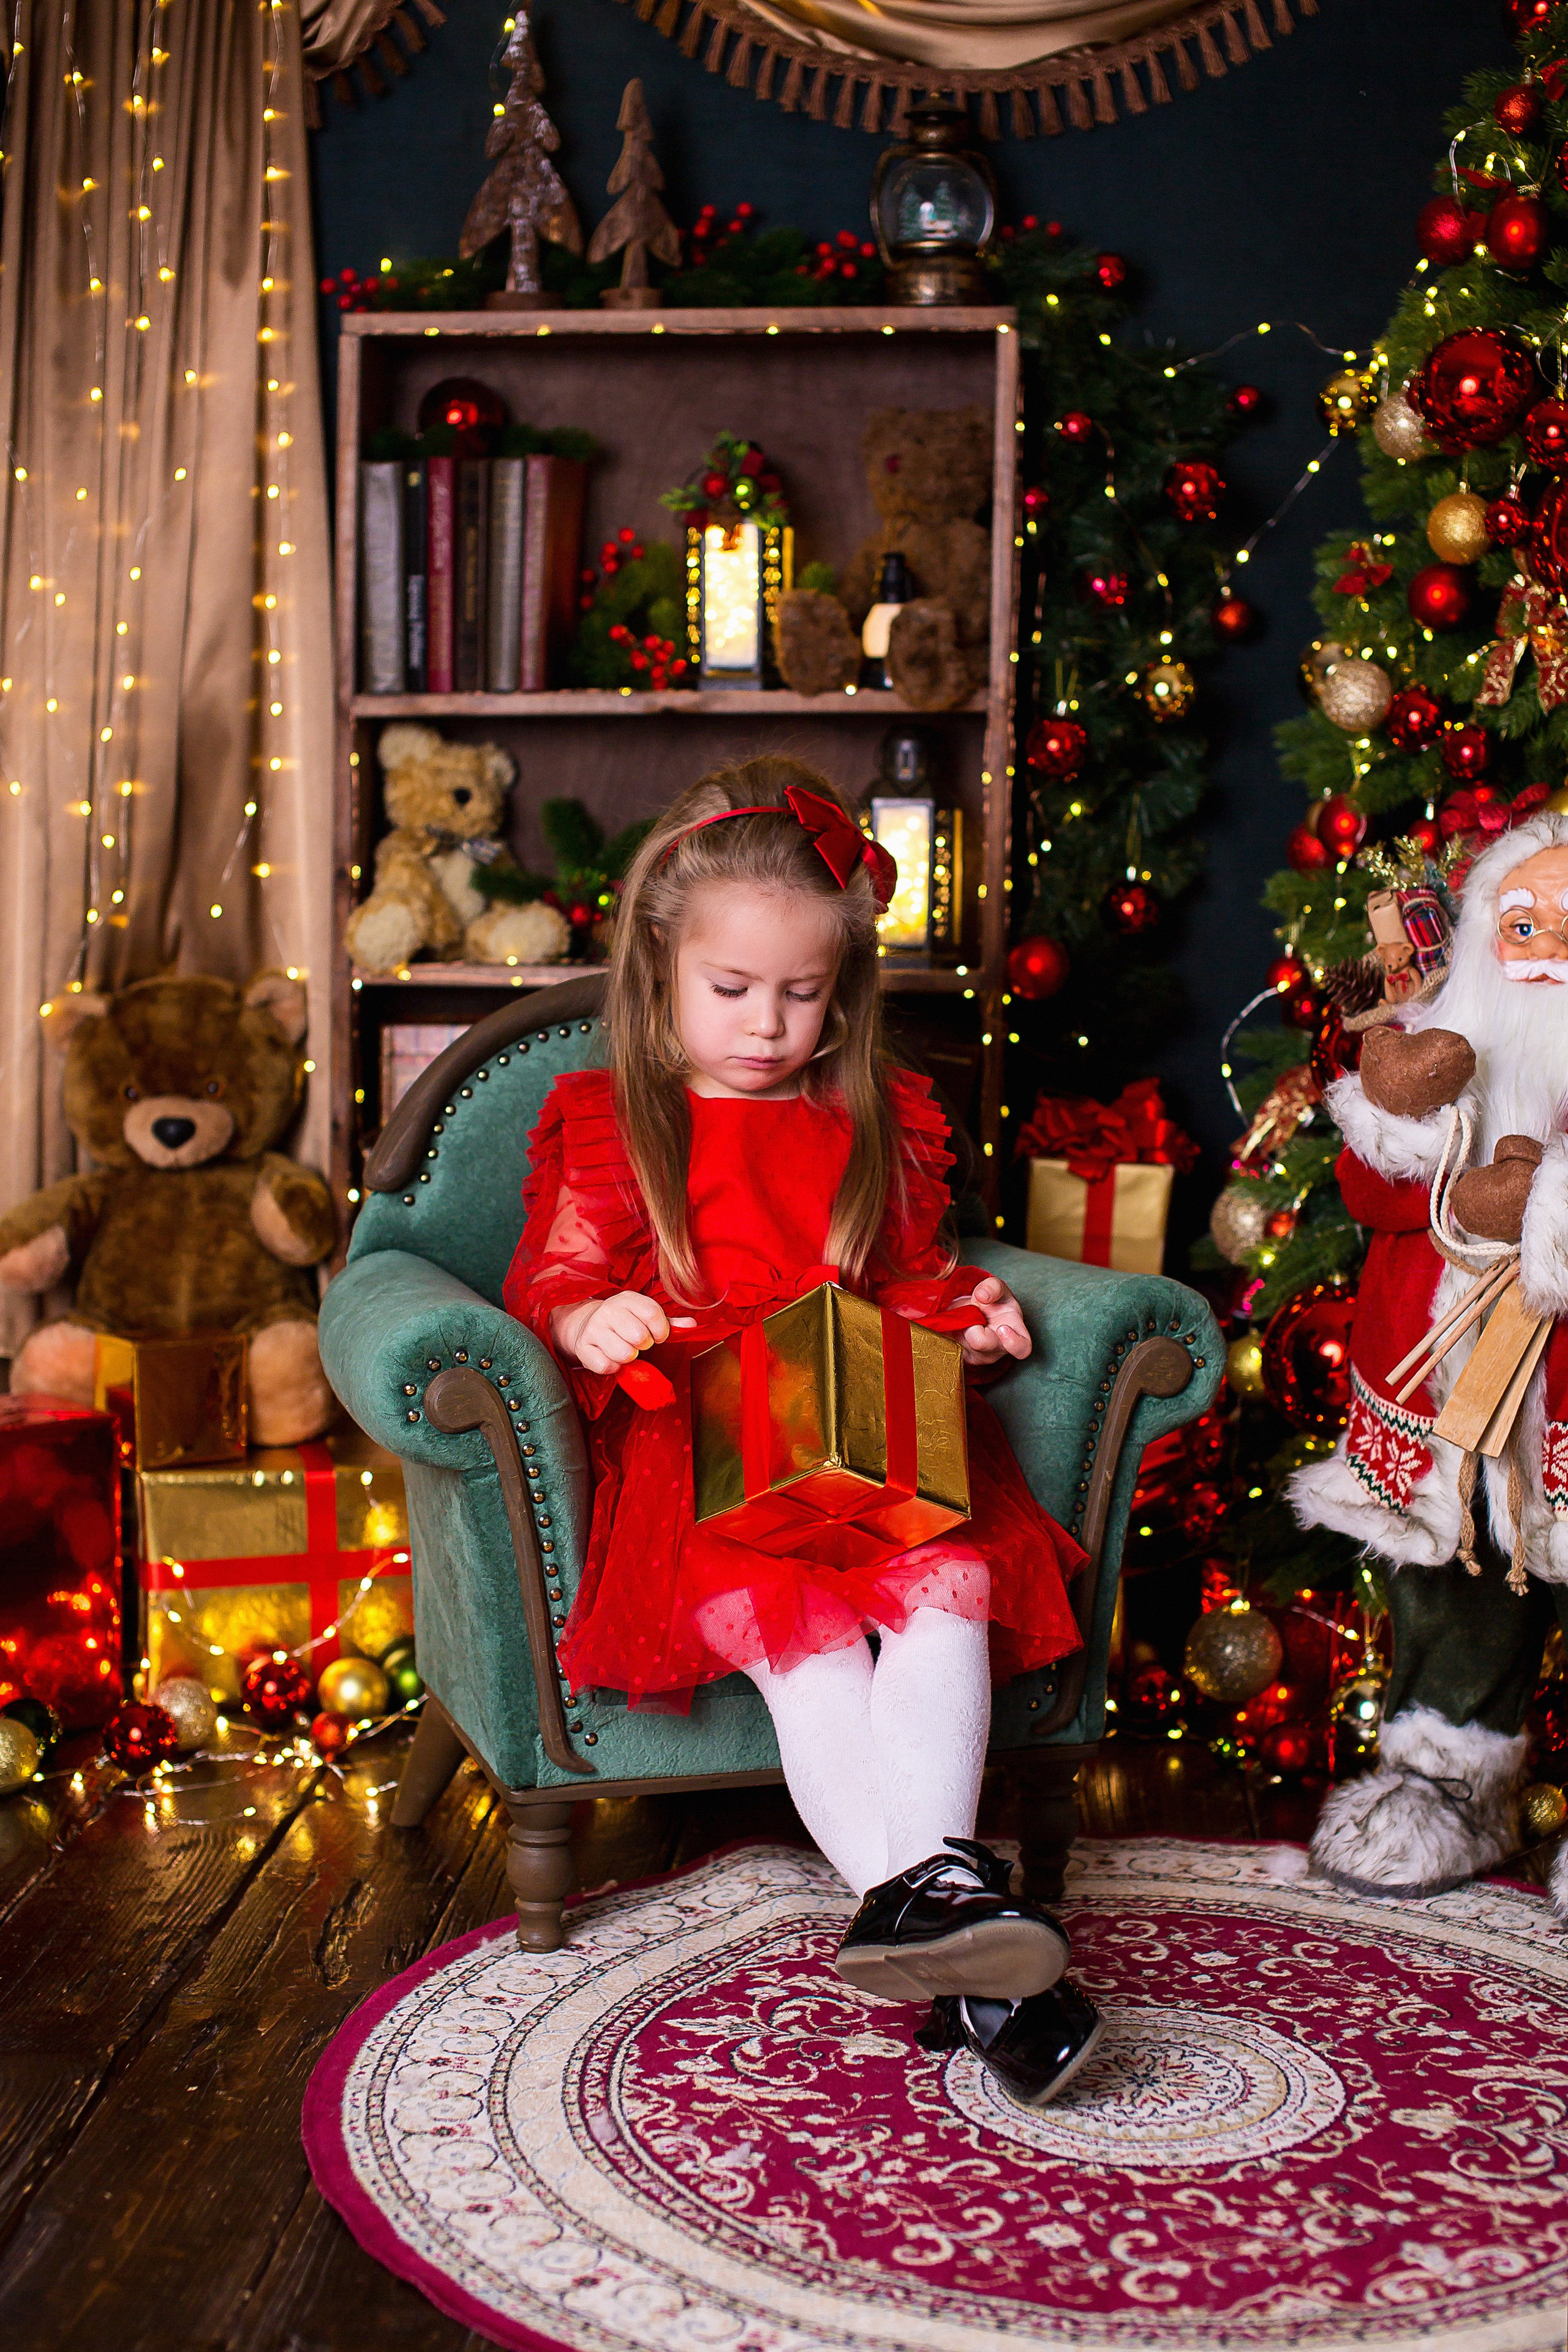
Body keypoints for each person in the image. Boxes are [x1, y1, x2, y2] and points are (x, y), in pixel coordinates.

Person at [503, 757, 1101, 2106]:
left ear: (842, 990)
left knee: (948, 1593)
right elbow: (553, 1276)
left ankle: (943, 1937)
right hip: (707, 1450)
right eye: (731, 990)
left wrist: (976, 1317)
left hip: (864, 1413)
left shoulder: (870, 1116)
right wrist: (588, 1318)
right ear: (661, 970)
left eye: (800, 992)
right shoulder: (611, 1121)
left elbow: (911, 1280)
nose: (767, 1025)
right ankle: (987, 1971)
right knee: (813, 1651)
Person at [1292, 811, 1568, 1908]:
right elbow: (1370, 1191)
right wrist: (1415, 1134)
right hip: (1443, 1395)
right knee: (1453, 1580)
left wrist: (1544, 1211)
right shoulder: (1441, 1048)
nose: (1548, 948)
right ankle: (1446, 1782)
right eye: (1523, 924)